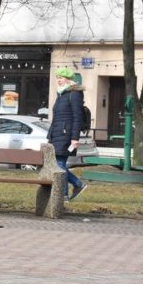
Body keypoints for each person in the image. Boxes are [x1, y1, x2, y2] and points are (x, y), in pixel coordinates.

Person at [47, 67, 88, 200]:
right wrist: (50, 134)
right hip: (57, 134)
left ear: (69, 79)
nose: (59, 80)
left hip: (66, 135)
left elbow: (77, 117)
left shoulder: (74, 94)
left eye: (62, 78)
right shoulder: (61, 94)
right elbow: (57, 117)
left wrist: (75, 138)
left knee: (59, 164)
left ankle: (64, 194)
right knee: (58, 165)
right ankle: (77, 185)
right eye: (58, 78)